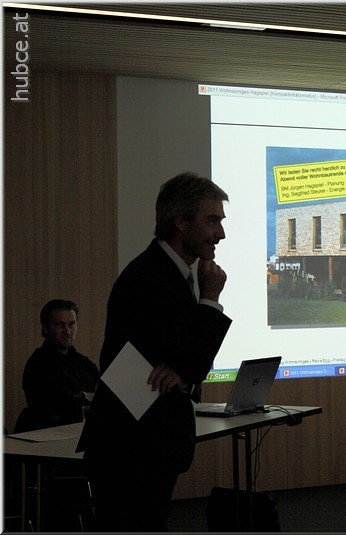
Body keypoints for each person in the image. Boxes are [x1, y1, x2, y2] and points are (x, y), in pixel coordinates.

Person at [76, 171, 232, 531]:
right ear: (180, 222)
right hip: (131, 447)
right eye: (212, 221)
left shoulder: (170, 273)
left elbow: (184, 364)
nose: (220, 234)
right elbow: (193, 362)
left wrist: (182, 374)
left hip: (144, 443)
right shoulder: (150, 277)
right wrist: (210, 300)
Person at [15, 299, 100, 433]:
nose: (67, 331)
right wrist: (88, 397)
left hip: (81, 433)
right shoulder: (38, 363)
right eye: (60, 325)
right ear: (46, 328)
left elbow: (106, 389)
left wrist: (84, 396)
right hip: (48, 436)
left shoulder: (82, 362)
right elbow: (66, 405)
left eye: (72, 324)